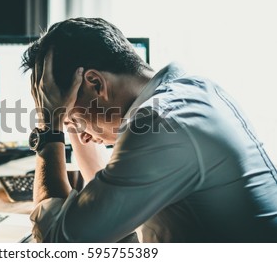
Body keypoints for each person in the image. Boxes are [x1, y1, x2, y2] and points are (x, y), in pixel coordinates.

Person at [21, 17, 277, 242]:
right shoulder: (190, 89)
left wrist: (49, 125)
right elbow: (107, 212)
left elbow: (59, 245)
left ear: (96, 83)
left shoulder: (157, 125)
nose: (78, 132)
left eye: (71, 118)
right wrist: (76, 123)